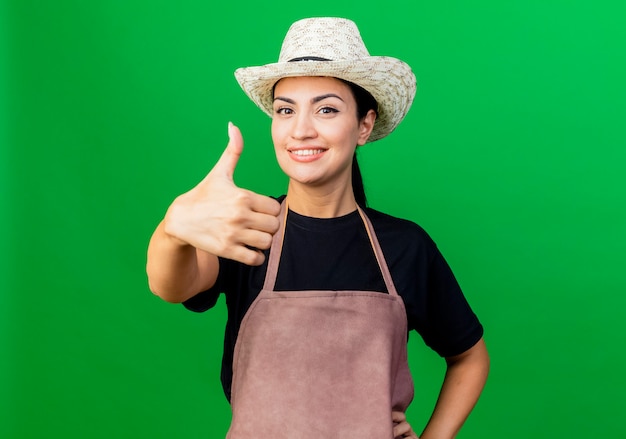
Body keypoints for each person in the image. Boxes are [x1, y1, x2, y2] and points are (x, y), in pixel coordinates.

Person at [146, 17, 489, 439]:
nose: (301, 130)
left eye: (326, 109)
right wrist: (172, 229)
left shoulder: (404, 247)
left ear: (364, 125)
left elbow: (470, 358)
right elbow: (171, 287)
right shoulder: (249, 226)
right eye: (285, 110)